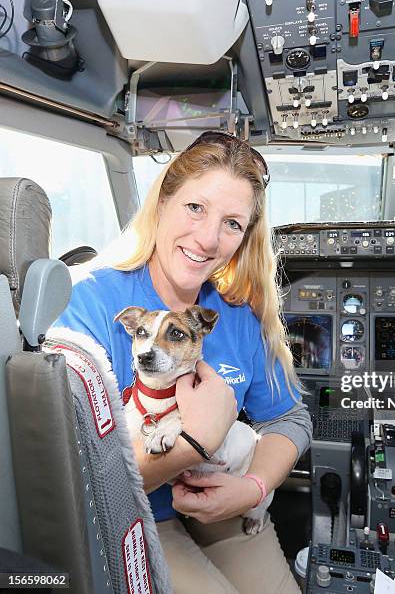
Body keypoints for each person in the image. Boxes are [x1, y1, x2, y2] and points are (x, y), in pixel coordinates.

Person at [53, 131, 312, 594]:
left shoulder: (235, 316)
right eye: (196, 208)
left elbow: (289, 417)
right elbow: (79, 481)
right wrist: (196, 439)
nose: (209, 238)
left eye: (232, 223)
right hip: (137, 513)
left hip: (228, 500)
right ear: (162, 201)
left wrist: (252, 488)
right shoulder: (89, 303)